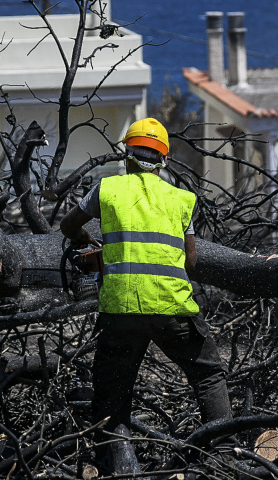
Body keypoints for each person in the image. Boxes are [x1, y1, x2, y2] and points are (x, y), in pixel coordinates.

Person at [60, 118, 232, 466]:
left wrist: (86, 243)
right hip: (172, 307)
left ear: (127, 155)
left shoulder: (107, 189)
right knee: (209, 375)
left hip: (120, 309)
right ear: (164, 160)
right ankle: (225, 456)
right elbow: (192, 260)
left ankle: (115, 465)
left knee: (112, 394)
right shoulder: (182, 200)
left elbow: (67, 225)